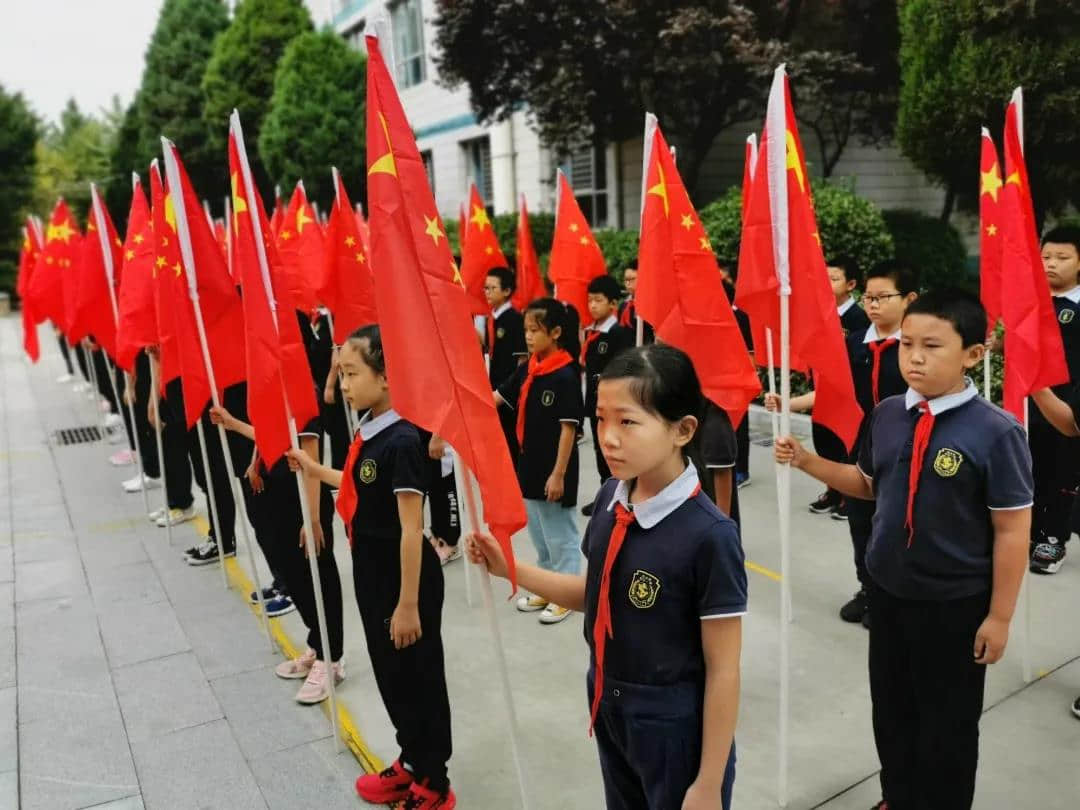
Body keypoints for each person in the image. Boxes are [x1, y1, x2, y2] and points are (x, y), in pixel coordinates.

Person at [775, 289, 1032, 810]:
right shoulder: (889, 414)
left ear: (973, 355)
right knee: (892, 713)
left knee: (949, 727)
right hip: (888, 594)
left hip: (954, 606)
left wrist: (999, 617)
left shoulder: (997, 432)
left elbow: (1011, 531)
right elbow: (868, 483)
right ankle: (898, 796)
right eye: (906, 343)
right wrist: (806, 461)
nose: (914, 356)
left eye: (932, 346)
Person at [468, 343, 743, 810]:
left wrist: (709, 782)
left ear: (683, 430)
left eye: (628, 421)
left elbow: (724, 670)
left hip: (672, 723)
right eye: (600, 419)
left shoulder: (709, 535)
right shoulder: (613, 499)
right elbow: (594, 595)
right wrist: (509, 569)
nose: (608, 437)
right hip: (608, 699)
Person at [288, 325, 455, 810]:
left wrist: (407, 605)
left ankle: (434, 779)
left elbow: (410, 528)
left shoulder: (402, 440)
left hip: (405, 578)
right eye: (341, 374)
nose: (343, 385)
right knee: (390, 673)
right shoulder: (371, 429)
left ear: (386, 378)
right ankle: (410, 759)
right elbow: (364, 487)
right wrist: (314, 469)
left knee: (418, 676)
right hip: (373, 569)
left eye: (352, 374)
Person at [767, 260, 918, 627]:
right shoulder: (854, 343)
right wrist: (790, 403)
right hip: (861, 450)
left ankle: (896, 596)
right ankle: (869, 588)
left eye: (883, 297)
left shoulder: (916, 346)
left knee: (900, 527)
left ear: (910, 299)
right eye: (868, 297)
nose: (873, 305)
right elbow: (833, 390)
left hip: (907, 453)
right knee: (861, 525)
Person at [211, 398, 344, 702]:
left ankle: (332, 657)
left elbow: (310, 458)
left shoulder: (300, 391)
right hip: (275, 489)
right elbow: (269, 433)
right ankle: (317, 641)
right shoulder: (268, 387)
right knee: (293, 575)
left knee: (316, 575)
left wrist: (311, 518)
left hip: (302, 499)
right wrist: (254, 458)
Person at [495, 298, 584, 625]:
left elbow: (568, 430)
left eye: (535, 330)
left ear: (556, 332)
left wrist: (558, 474)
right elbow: (496, 398)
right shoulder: (529, 369)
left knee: (560, 535)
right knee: (539, 534)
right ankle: (548, 586)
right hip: (529, 465)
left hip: (554, 470)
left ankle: (568, 592)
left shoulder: (565, 376)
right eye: (526, 330)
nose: (529, 337)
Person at [1027, 226, 1080, 574]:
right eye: (1046, 256)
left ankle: (1055, 537)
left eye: (1062, 258)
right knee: (1030, 465)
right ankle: (1029, 531)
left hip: (1069, 399)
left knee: (1064, 470)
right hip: (1030, 398)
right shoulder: (1032, 301)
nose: (1051, 264)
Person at [808, 256, 872, 517]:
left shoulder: (859, 319)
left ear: (851, 284)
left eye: (833, 279)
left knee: (846, 445)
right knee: (824, 443)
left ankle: (849, 496)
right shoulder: (821, 312)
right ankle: (832, 490)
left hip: (847, 393)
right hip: (821, 390)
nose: (826, 284)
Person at [581, 275, 635, 515]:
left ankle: (624, 496)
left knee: (617, 449)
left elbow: (624, 370)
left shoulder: (619, 334)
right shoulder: (591, 333)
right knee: (600, 450)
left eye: (598, 301)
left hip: (614, 405)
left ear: (613, 304)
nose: (592, 305)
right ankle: (606, 495)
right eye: (590, 300)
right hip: (596, 403)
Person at [484, 266, 527, 460]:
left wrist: (514, 389)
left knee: (510, 444)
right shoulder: (492, 319)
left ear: (507, 291)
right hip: (493, 390)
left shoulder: (515, 319)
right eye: (485, 288)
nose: (488, 292)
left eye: (492, 288)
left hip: (508, 393)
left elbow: (522, 360)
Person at [616, 263, 654, 344]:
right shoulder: (624, 305)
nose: (628, 283)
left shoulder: (651, 304)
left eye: (631, 279)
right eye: (626, 280)